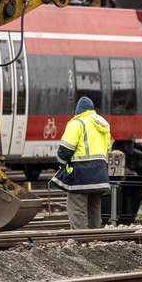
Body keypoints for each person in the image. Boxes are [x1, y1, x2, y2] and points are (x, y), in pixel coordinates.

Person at [51, 96, 113, 229]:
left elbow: (65, 150)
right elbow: (108, 148)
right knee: (94, 209)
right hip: (100, 175)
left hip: (81, 175)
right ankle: (94, 237)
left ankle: (80, 238)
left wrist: (62, 164)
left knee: (77, 209)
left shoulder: (77, 123)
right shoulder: (103, 124)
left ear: (78, 110)